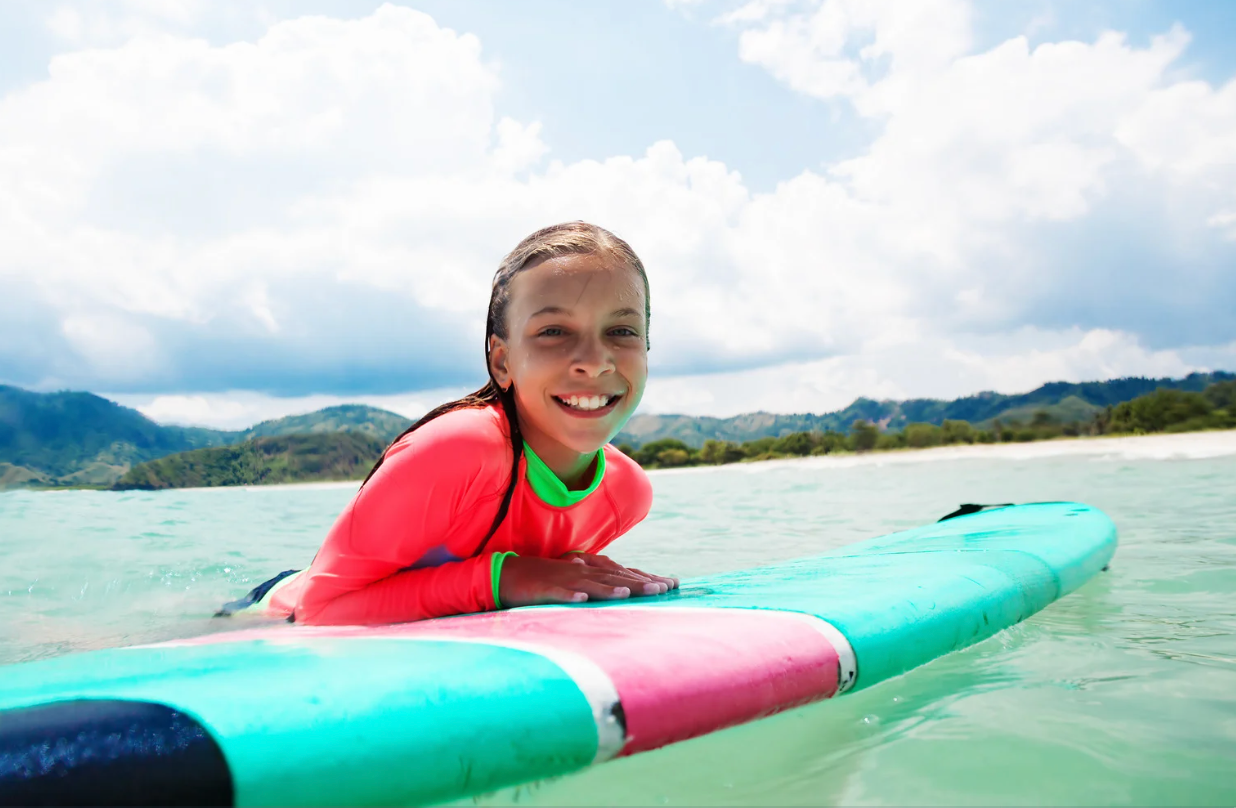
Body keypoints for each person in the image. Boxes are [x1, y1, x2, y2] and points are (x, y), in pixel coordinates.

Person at [217, 221, 678, 625]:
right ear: (502, 361)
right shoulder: (458, 449)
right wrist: (504, 579)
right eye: (553, 332)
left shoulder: (625, 495)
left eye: (622, 331)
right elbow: (321, 607)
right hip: (272, 614)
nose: (594, 362)